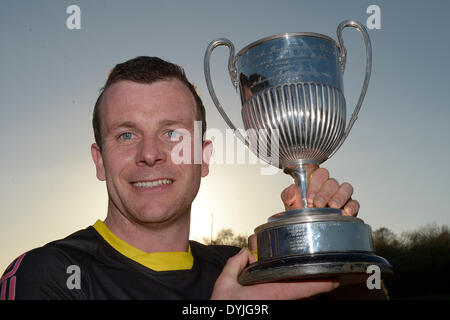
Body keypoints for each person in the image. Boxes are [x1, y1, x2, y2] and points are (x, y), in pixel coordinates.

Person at [1, 56, 366, 300]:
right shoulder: (49, 274)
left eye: (172, 134)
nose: (150, 153)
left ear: (203, 159)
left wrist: (327, 244)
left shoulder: (247, 272)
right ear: (99, 162)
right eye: (126, 135)